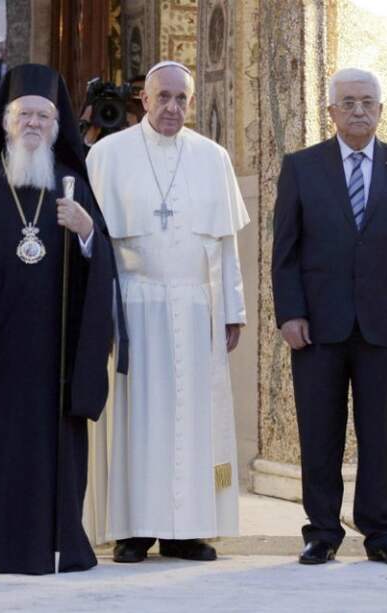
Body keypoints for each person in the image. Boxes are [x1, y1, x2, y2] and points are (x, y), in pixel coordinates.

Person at [0, 63, 126, 575]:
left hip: (55, 355)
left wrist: (86, 234)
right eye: (24, 114)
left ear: (57, 126)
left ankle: (59, 544)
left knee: (53, 451)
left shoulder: (73, 184)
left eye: (44, 115)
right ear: (5, 121)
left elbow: (101, 272)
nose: (33, 123)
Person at [84, 60, 249, 564]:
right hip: (135, 308)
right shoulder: (108, 155)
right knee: (137, 418)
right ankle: (134, 530)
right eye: (164, 97)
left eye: (183, 99)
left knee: (195, 418)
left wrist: (233, 309)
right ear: (144, 100)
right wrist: (100, 316)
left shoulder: (212, 157)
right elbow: (94, 243)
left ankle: (188, 529)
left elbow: (224, 245)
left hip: (198, 307)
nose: (173, 107)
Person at [271, 67, 387, 567]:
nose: (359, 110)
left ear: (381, 110)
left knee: (381, 434)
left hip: (385, 324)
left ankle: (382, 533)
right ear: (331, 112)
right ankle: (322, 531)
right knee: (319, 433)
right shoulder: (301, 166)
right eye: (348, 102)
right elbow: (285, 251)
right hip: (318, 326)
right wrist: (290, 313)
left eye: (368, 101)